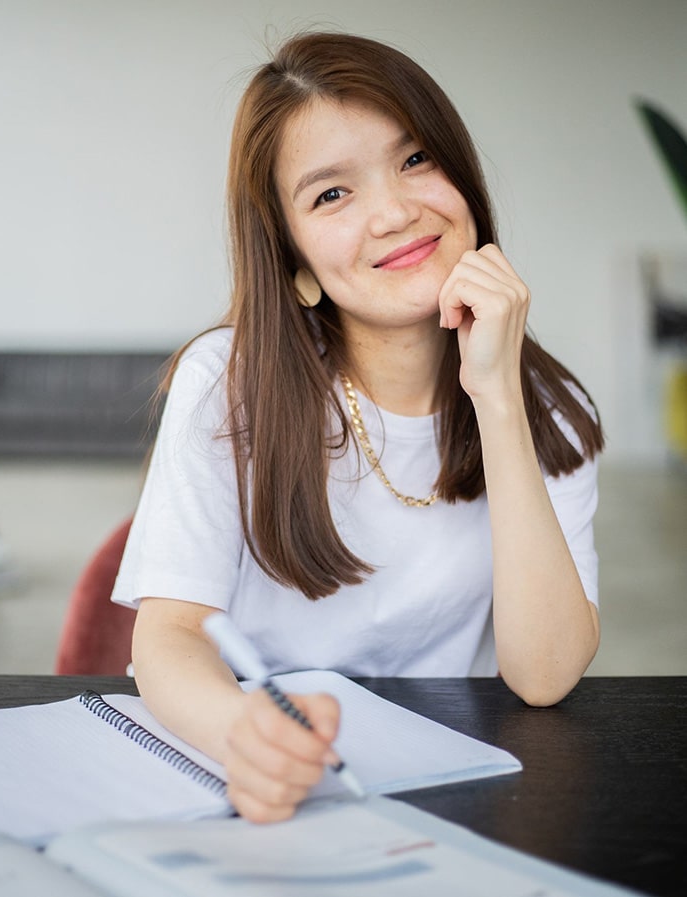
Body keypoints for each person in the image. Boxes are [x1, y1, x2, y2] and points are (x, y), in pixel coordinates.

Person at [112, 31, 604, 823]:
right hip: (263, 782)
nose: (396, 212)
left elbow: (545, 675)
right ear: (296, 259)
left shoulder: (549, 407)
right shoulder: (227, 382)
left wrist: (499, 397)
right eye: (331, 195)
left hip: (452, 794)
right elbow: (167, 636)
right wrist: (245, 733)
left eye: (415, 160)